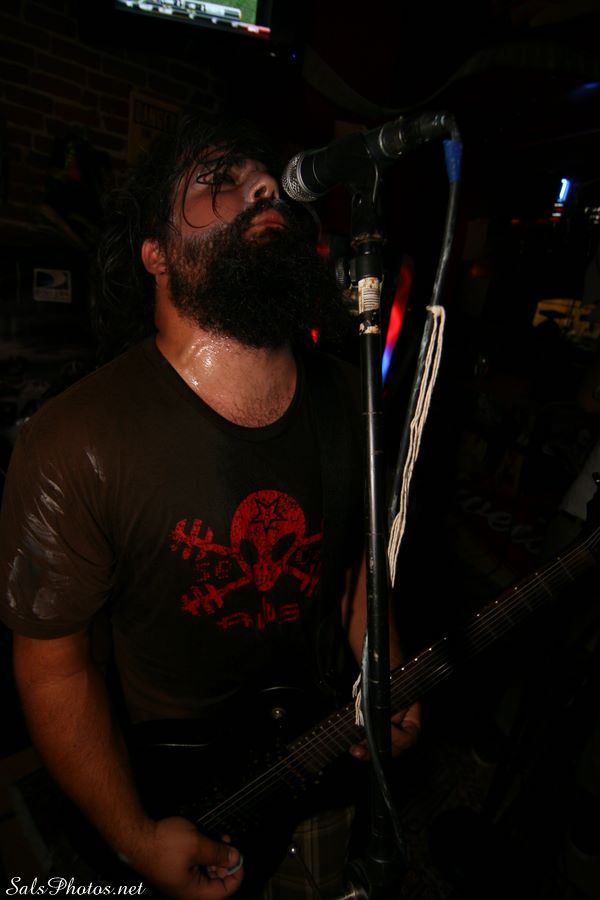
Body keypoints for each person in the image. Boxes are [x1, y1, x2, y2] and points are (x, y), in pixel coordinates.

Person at [0, 114, 420, 899]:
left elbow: (355, 569)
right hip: (180, 797)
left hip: (322, 766)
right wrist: (132, 840)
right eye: (218, 181)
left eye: (264, 178)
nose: (263, 187)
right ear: (156, 253)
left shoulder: (350, 397)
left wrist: (387, 673)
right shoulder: (76, 438)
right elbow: (54, 668)